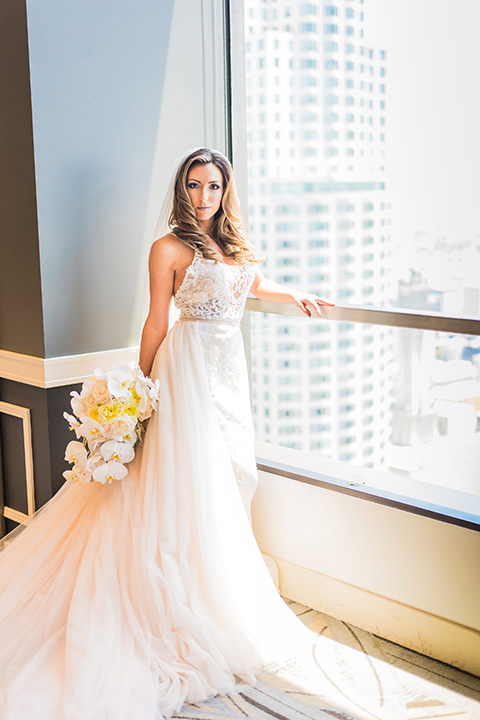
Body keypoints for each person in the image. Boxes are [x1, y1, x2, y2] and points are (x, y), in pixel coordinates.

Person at [0, 148, 333, 719]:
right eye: (194, 186)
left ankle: (218, 587)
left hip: (229, 372)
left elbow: (254, 283)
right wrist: (142, 389)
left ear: (225, 191)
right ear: (182, 190)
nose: (204, 197)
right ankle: (183, 597)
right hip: (186, 369)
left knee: (233, 473)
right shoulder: (168, 248)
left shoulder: (232, 246)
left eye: (213, 187)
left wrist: (294, 294)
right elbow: (157, 319)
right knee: (190, 481)